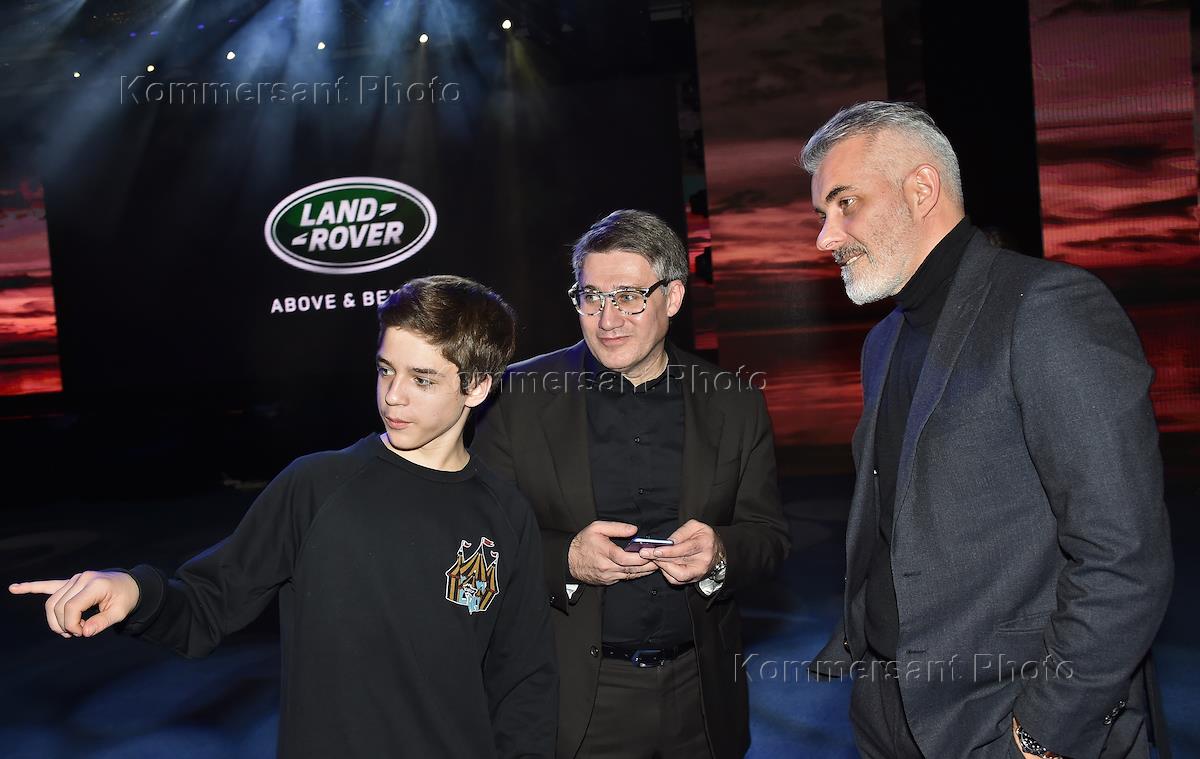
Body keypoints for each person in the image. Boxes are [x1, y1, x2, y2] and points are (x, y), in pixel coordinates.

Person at [9, 275, 557, 759]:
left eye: (422, 379)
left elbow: (523, 678)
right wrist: (133, 591)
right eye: (385, 370)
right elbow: (207, 606)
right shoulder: (316, 486)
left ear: (476, 386)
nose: (393, 396)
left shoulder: (504, 512)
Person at [802, 101, 1173, 759]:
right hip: (887, 710)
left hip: (1006, 719)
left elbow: (1123, 556)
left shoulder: (1049, 308)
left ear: (922, 189)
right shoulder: (882, 342)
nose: (826, 238)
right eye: (822, 215)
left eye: (845, 203)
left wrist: (1041, 734)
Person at [471, 209, 790, 759]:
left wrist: (719, 553)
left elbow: (768, 536)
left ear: (673, 297)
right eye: (591, 297)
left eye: (628, 297)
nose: (606, 319)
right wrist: (566, 559)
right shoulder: (517, 398)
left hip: (701, 696)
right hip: (571, 700)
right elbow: (477, 541)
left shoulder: (734, 402)